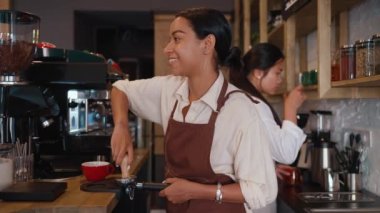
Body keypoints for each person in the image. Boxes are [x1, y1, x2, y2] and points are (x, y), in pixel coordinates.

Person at [111, 8, 277, 213]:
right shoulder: (170, 89)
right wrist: (121, 126)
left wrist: (196, 191)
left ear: (207, 44)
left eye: (177, 39)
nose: (167, 48)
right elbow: (120, 89)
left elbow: (262, 191)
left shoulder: (240, 109)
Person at [230, 42, 307, 180]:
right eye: (277, 73)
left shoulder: (242, 98)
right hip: (252, 196)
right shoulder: (254, 105)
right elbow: (286, 154)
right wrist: (291, 107)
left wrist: (269, 166)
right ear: (258, 73)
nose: (280, 80)